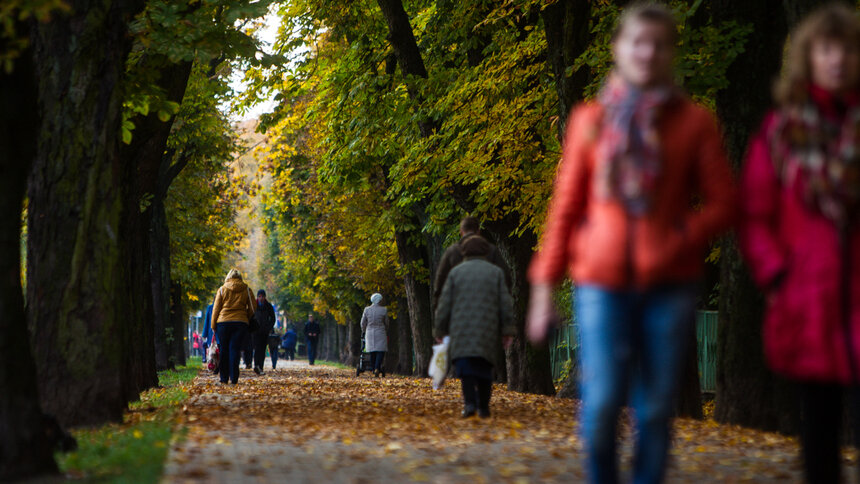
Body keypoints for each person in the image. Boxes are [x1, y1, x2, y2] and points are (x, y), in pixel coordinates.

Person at [525, 4, 736, 483]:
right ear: (619, 48)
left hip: (669, 285)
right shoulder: (590, 121)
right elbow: (565, 210)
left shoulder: (693, 123)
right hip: (600, 283)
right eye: (638, 42)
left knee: (656, 409)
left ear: (671, 53)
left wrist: (683, 235)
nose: (648, 52)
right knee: (600, 406)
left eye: (659, 44)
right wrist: (542, 290)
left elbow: (725, 203)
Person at [739, 5, 860, 482]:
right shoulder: (781, 130)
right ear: (808, 57)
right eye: (825, 49)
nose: (837, 60)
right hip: (809, 295)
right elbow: (755, 212)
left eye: (847, 49)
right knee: (821, 429)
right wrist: (775, 272)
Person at [435, 236, 515, 418]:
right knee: (485, 366)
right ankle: (484, 407)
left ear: (465, 252)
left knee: (465, 367)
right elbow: (505, 303)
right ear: (486, 251)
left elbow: (445, 303)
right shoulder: (496, 273)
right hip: (488, 327)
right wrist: (507, 329)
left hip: (461, 327)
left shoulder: (456, 273)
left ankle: (470, 403)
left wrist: (440, 329)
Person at [433, 216, 510, 311]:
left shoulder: (452, 252)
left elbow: (440, 282)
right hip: (488, 307)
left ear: (461, 232)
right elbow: (506, 278)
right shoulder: (491, 251)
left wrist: (438, 307)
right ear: (478, 231)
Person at [211, 269, 256, 385]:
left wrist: (213, 325)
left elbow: (216, 309)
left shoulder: (222, 289)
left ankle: (224, 378)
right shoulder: (246, 289)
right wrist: (246, 316)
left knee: (224, 350)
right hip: (240, 323)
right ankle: (234, 378)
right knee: (235, 349)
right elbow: (252, 307)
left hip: (223, 323)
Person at [360, 293, 389, 377]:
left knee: (372, 351)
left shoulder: (367, 309)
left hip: (369, 332)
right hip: (381, 331)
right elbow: (387, 322)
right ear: (379, 300)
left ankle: (373, 369)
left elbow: (363, 323)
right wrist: (385, 330)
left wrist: (364, 330)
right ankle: (377, 367)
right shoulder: (384, 310)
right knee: (380, 351)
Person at [252, 289, 276, 375]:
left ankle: (260, 367)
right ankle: (256, 365)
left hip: (264, 332)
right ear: (257, 297)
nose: (261, 298)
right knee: (257, 349)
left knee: (262, 350)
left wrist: (268, 327)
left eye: (262, 296)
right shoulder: (254, 305)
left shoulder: (268, 306)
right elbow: (250, 316)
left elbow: (273, 318)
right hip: (255, 331)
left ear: (264, 297)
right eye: (259, 296)